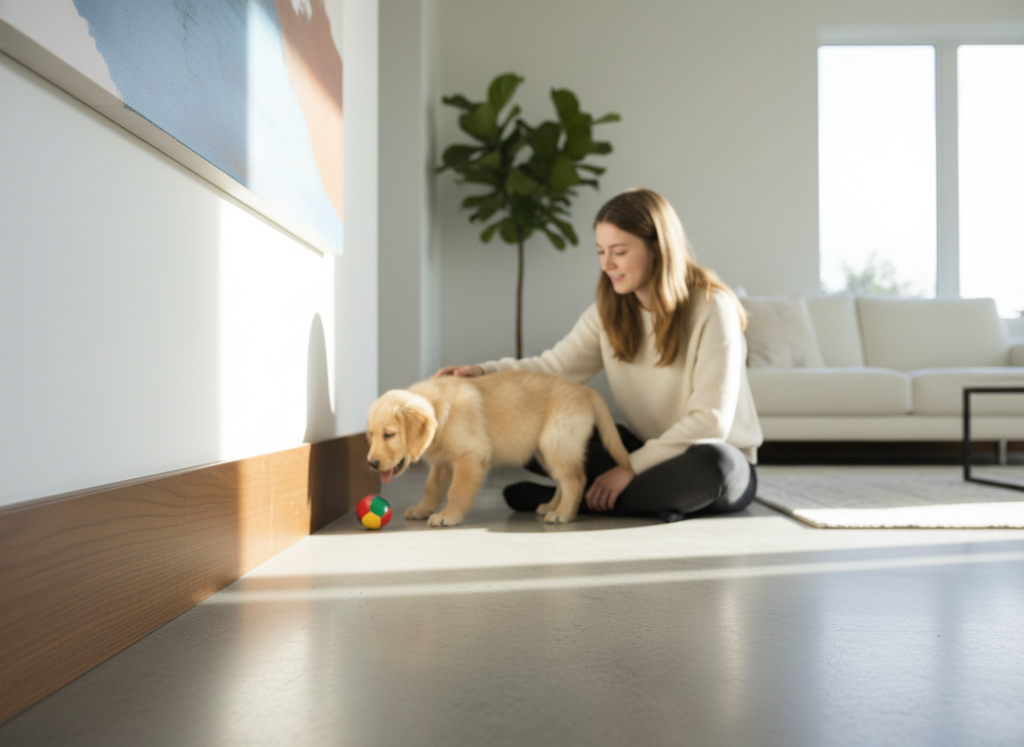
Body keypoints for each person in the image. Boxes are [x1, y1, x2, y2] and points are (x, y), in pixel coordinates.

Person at [434, 188, 763, 521]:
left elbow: (710, 422)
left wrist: (629, 469)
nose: (607, 264)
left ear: (658, 249)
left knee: (715, 468)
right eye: (601, 251)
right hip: (643, 449)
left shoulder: (712, 308)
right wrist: (483, 373)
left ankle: (578, 498)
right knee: (537, 420)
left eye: (619, 251)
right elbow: (554, 368)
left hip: (709, 455)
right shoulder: (608, 312)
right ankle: (639, 499)